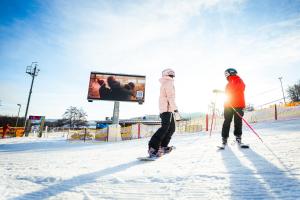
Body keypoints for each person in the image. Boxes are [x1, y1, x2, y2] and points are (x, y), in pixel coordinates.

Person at [148, 68, 179, 158]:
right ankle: (153, 147)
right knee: (165, 128)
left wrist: (173, 109)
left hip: (168, 109)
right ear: (167, 75)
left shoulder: (167, 82)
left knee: (171, 128)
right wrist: (176, 109)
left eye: (172, 74)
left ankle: (163, 146)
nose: (172, 76)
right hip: (166, 109)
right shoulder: (169, 83)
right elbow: (170, 97)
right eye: (171, 74)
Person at [221, 68, 246, 147]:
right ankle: (224, 138)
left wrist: (223, 92)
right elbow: (227, 93)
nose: (225, 76)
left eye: (226, 73)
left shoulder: (239, 80)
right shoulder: (228, 84)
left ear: (230, 73)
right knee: (227, 121)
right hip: (228, 105)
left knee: (238, 122)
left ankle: (238, 137)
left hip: (238, 105)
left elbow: (239, 88)